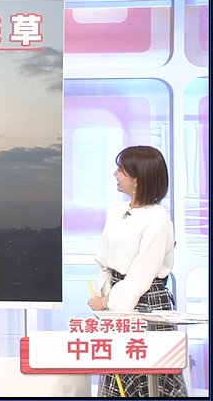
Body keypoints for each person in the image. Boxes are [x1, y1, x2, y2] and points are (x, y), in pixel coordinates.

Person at [87, 145, 187, 397]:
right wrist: (105, 296)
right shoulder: (117, 211)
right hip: (116, 301)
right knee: (116, 377)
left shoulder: (158, 219)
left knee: (148, 380)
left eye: (121, 170)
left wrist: (108, 302)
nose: (115, 174)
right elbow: (105, 259)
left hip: (146, 303)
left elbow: (143, 272)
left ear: (137, 180)